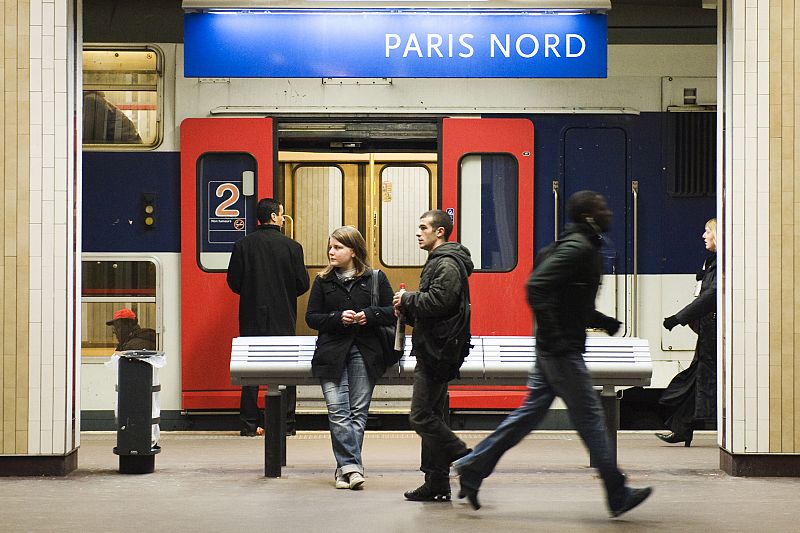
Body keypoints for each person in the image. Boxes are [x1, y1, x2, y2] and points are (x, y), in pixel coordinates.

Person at [452, 191, 652, 518]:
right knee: (590, 419)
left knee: (529, 415)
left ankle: (474, 467)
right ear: (588, 216)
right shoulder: (577, 249)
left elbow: (568, 300)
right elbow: (537, 287)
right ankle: (617, 492)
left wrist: (601, 321)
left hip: (554, 348)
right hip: (561, 351)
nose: (609, 212)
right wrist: (556, 336)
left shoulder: (575, 246)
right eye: (602, 208)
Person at [305, 226, 395, 490]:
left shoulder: (376, 278)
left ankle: (344, 470)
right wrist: (335, 318)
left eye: (338, 247)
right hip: (331, 353)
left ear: (353, 251)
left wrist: (370, 315)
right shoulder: (323, 281)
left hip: (365, 351)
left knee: (357, 412)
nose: (331, 252)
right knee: (337, 410)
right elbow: (312, 317)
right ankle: (352, 467)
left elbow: (393, 312)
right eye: (330, 247)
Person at [393, 209, 473, 502]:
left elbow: (440, 301)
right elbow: (437, 312)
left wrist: (408, 298)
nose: (418, 232)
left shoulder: (447, 264)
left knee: (421, 416)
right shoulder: (440, 262)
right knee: (435, 414)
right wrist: (409, 309)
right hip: (436, 347)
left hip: (438, 352)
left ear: (440, 232)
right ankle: (437, 481)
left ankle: (466, 459)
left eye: (423, 227)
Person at [226, 198, 309, 437]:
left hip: (251, 315)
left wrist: (253, 291)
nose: (283, 218)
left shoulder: (243, 245)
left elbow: (234, 282)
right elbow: (302, 283)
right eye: (282, 214)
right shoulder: (292, 247)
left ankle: (249, 424)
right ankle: (286, 423)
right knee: (287, 369)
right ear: (273, 217)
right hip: (283, 314)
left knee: (250, 369)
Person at [657, 218, 717, 447]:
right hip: (707, 332)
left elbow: (709, 298)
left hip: (712, 335)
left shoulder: (720, 264)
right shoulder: (711, 263)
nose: (703, 236)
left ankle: (678, 418)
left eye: (707, 231)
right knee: (696, 377)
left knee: (701, 378)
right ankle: (681, 428)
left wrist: (678, 319)